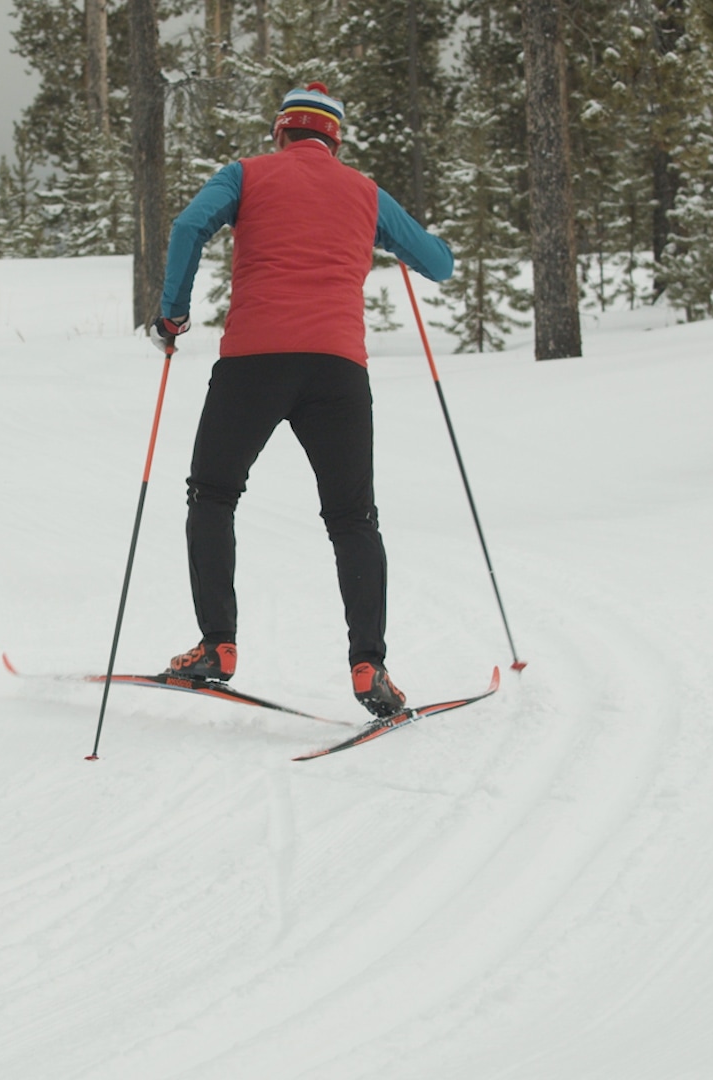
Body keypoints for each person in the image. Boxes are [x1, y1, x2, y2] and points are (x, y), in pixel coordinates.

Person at [153, 82, 454, 719]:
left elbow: (187, 227)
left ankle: (217, 648)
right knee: (352, 518)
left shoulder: (245, 175)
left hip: (253, 363)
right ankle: (368, 665)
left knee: (212, 493)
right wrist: (396, 240)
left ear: (281, 132)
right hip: (337, 370)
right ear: (334, 139)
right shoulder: (365, 192)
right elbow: (439, 263)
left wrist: (172, 315)